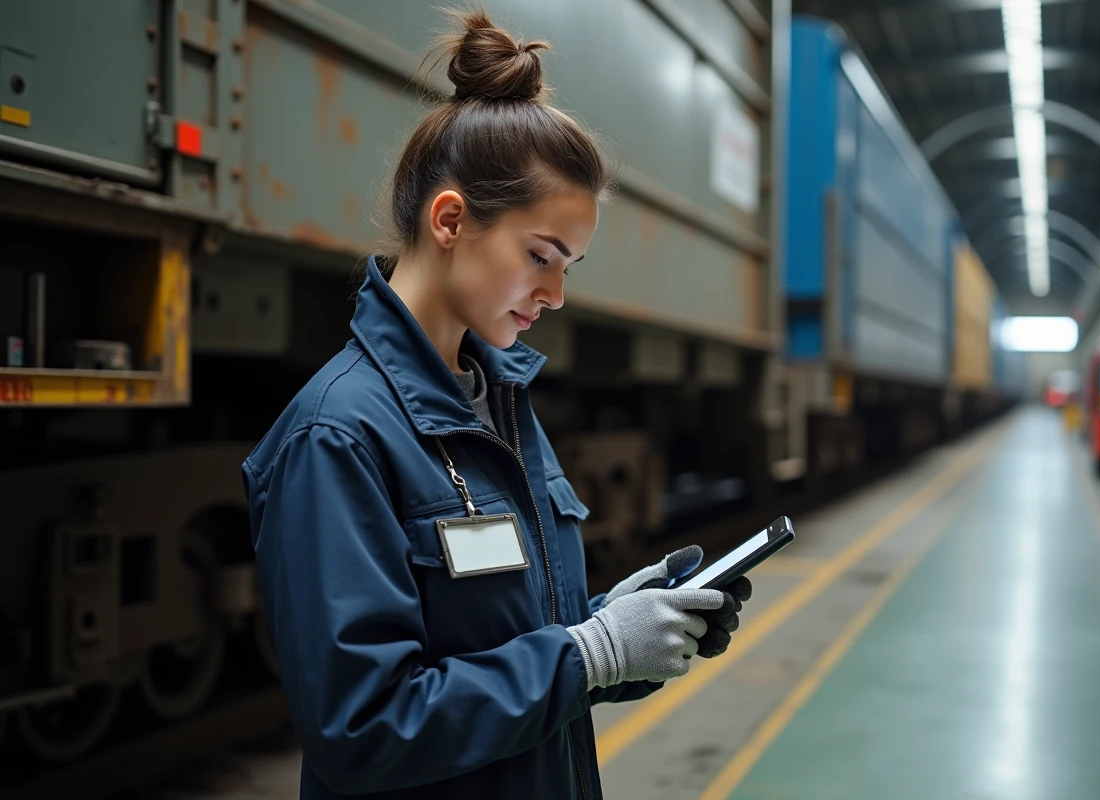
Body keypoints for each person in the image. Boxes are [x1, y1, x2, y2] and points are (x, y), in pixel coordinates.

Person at [243, 9, 752, 799]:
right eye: (540, 256)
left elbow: (496, 645)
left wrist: (616, 626)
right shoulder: (337, 436)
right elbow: (364, 726)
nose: (553, 294)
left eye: (569, 267)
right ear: (450, 220)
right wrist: (590, 654)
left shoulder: (499, 407)